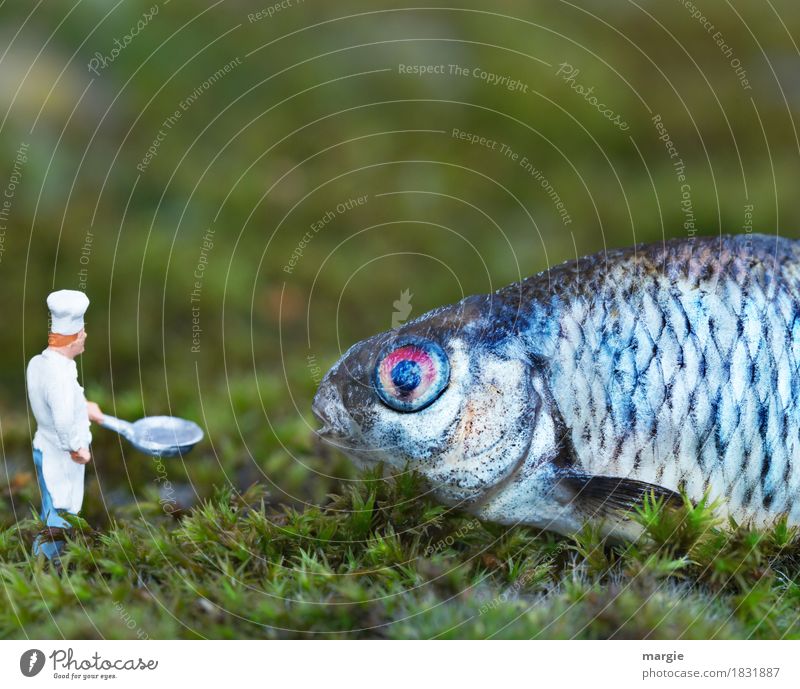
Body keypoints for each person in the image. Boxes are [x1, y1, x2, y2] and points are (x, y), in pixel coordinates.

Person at [26, 290, 104, 561]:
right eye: (82, 333)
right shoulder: (59, 375)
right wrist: (74, 448)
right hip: (59, 453)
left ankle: (53, 558)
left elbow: (60, 402)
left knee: (55, 503)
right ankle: (45, 564)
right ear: (72, 339)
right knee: (59, 508)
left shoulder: (41, 362)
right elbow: (60, 417)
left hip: (45, 445)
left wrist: (86, 407)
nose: (85, 337)